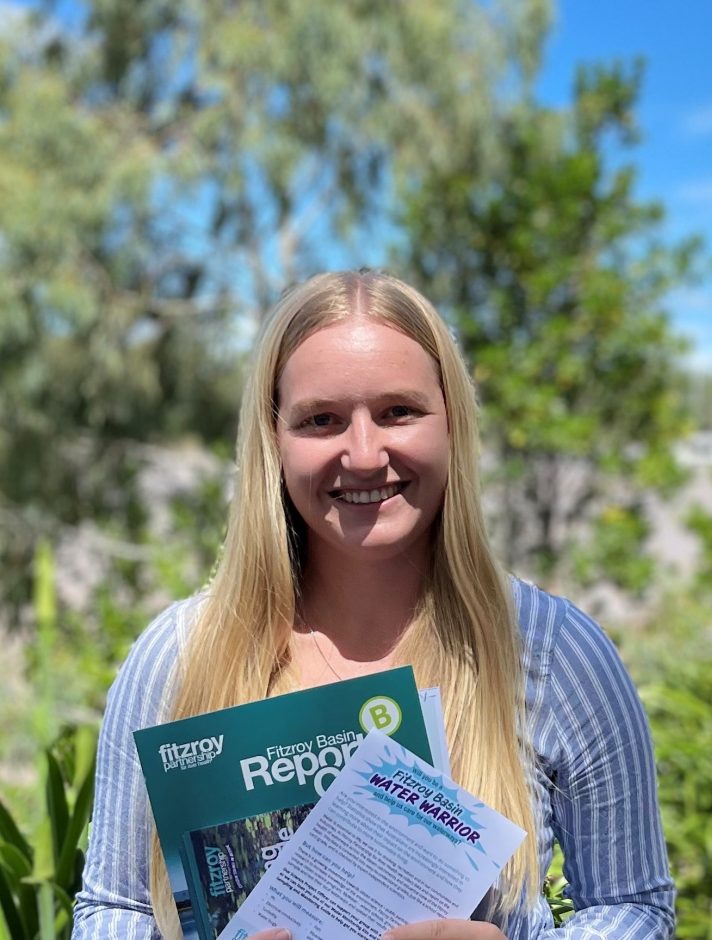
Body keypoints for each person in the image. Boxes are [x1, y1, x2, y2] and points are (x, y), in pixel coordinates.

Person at [72, 270, 674, 940]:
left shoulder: (558, 653)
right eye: (321, 419)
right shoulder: (179, 655)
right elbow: (114, 909)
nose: (363, 454)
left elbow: (635, 905)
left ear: (452, 425)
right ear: (274, 439)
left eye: (399, 412)